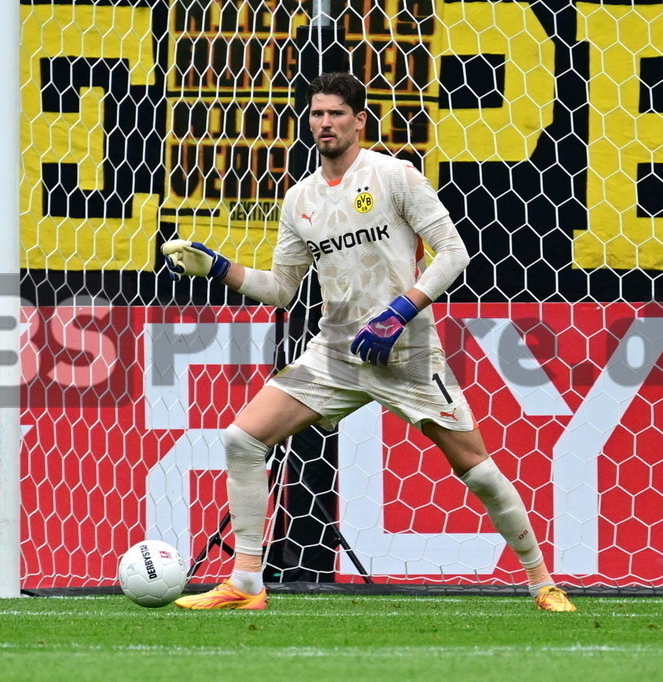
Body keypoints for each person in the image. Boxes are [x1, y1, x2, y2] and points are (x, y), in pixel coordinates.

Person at [161, 72, 575, 612]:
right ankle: (245, 583)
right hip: (337, 352)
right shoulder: (299, 199)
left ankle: (541, 582)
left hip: (406, 352)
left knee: (476, 469)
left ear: (359, 120)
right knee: (243, 439)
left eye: (336, 113)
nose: (325, 123)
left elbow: (453, 254)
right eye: (316, 114)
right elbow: (283, 290)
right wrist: (219, 268)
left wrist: (401, 311)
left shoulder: (394, 175)